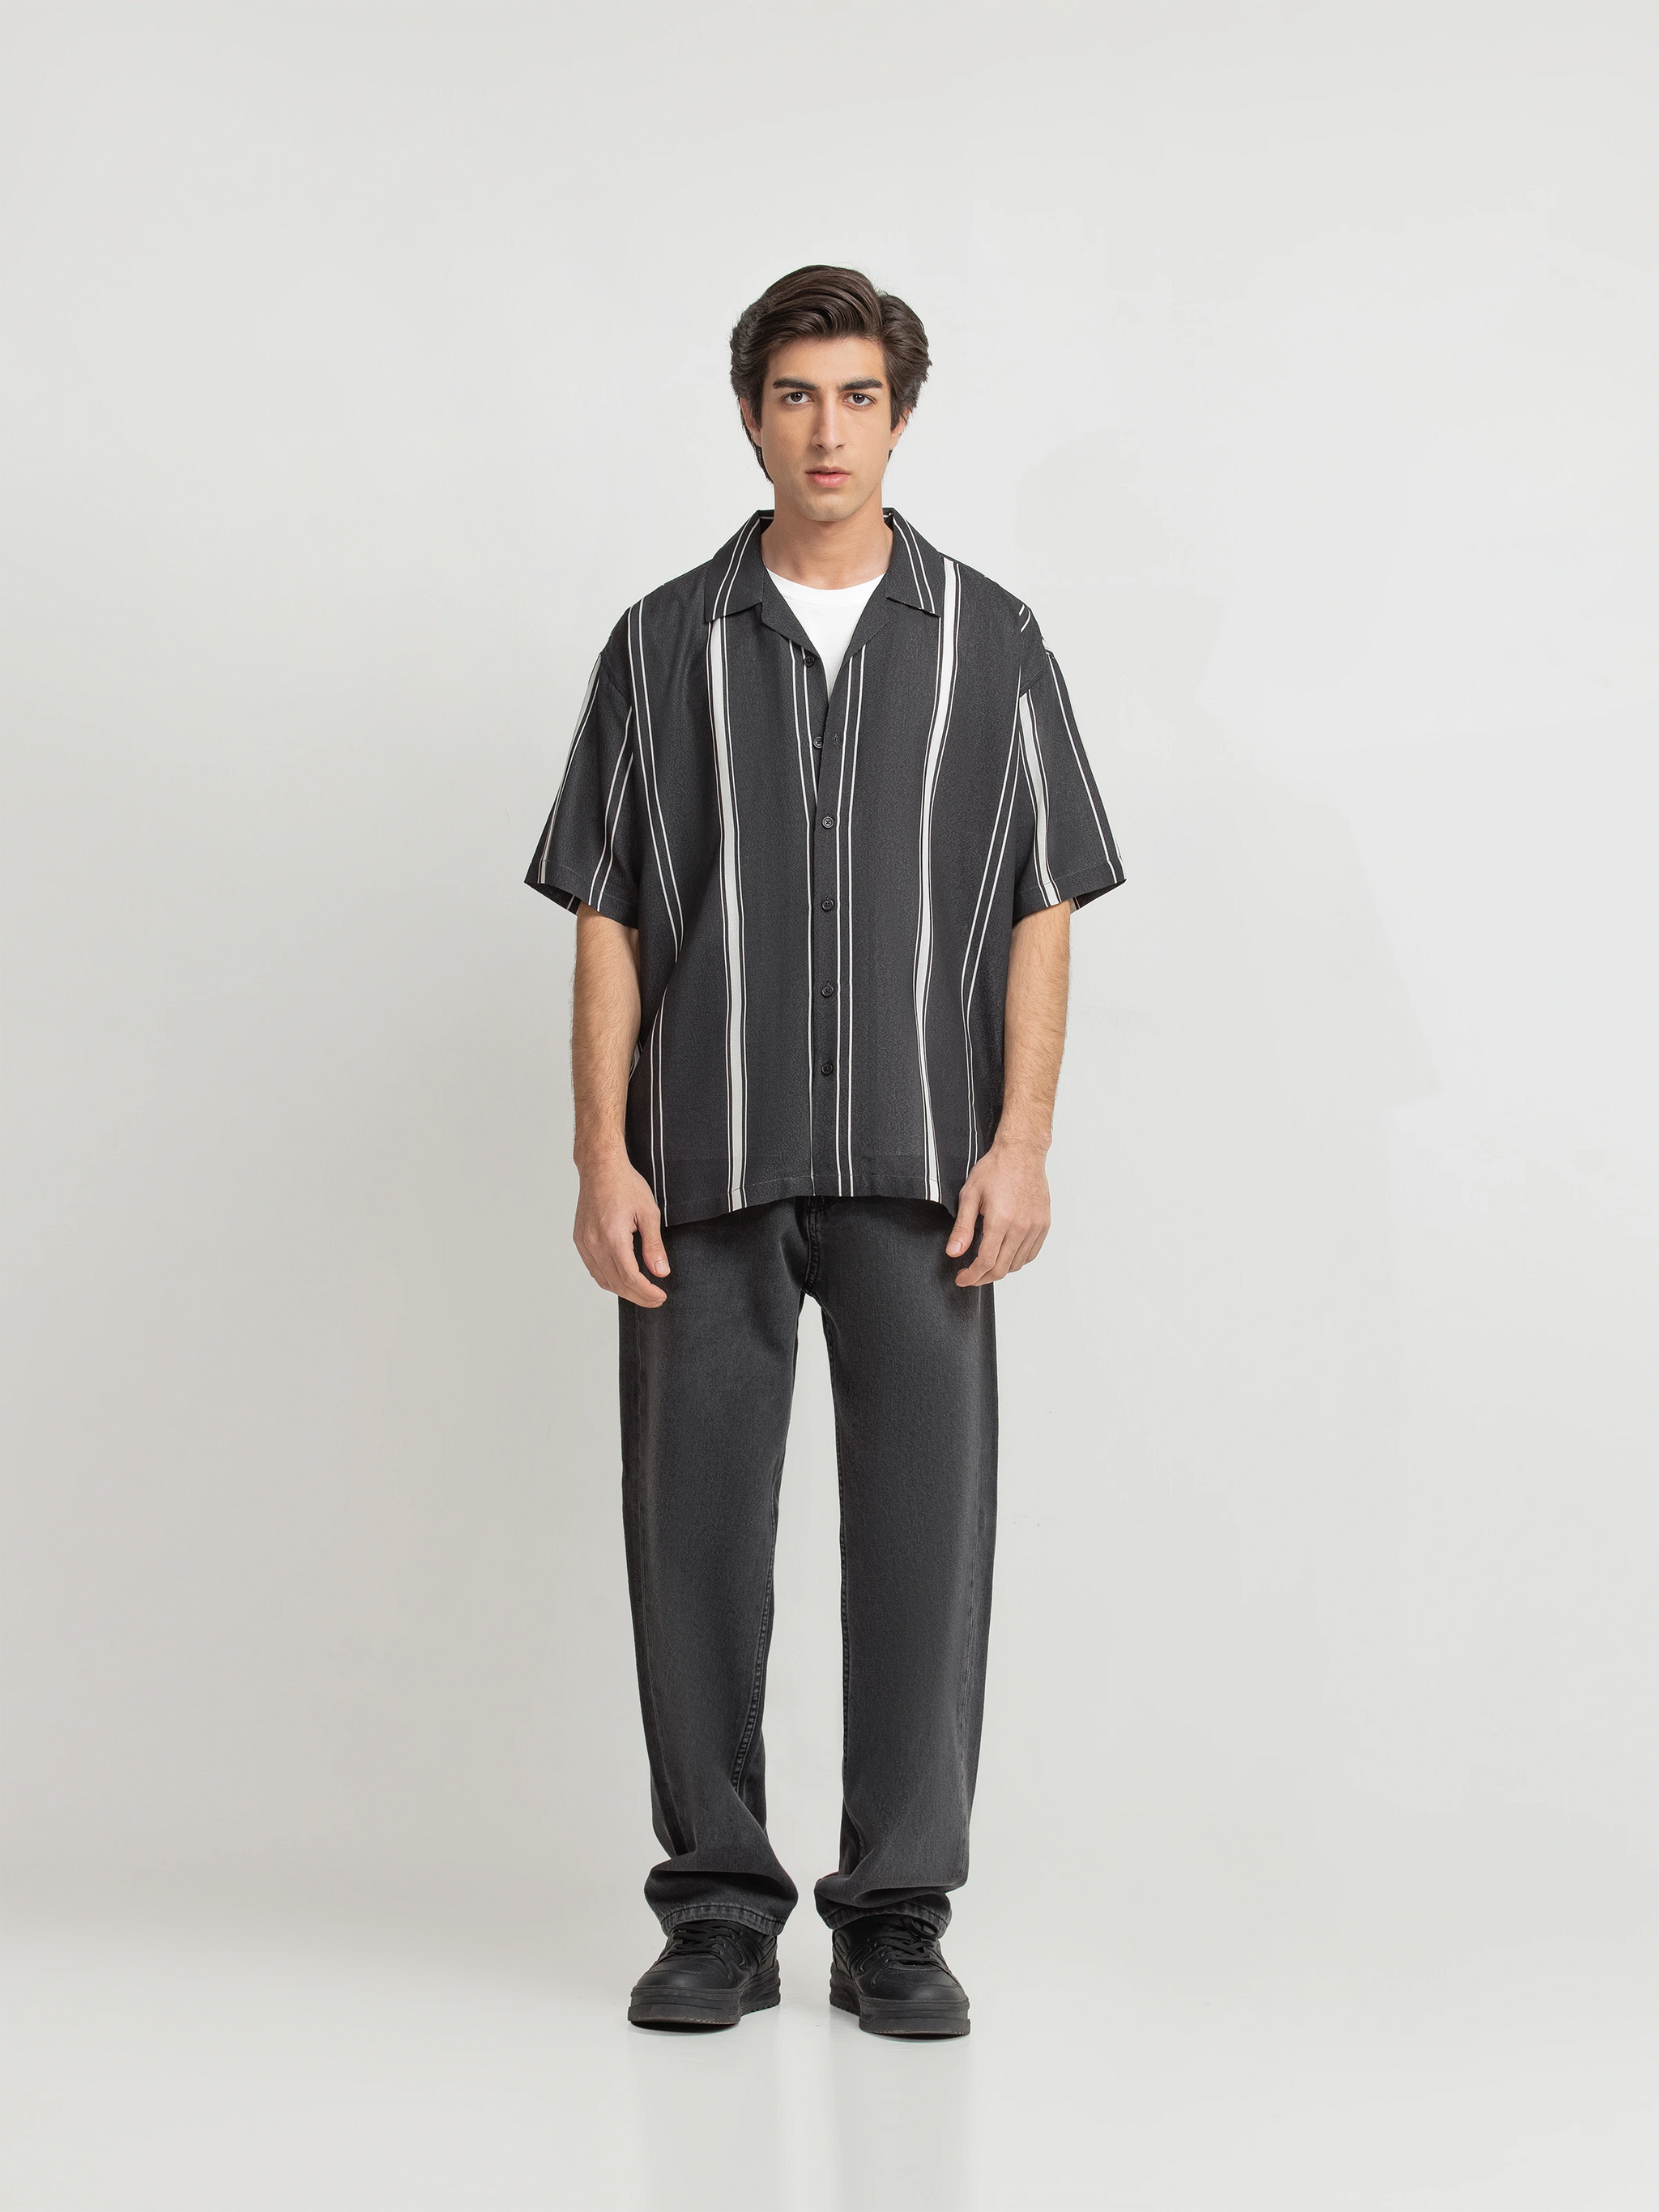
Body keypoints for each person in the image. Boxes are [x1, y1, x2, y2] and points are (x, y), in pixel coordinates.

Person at [524, 266, 1123, 2037]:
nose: (827, 430)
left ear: (901, 417)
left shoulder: (995, 640)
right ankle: (717, 1904)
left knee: (925, 1537)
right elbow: (610, 911)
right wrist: (598, 1154)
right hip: (699, 1161)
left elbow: (1040, 903)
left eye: (858, 396)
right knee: (693, 1539)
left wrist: (1023, 1141)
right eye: (795, 395)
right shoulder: (659, 643)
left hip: (928, 1168)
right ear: (749, 416)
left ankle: (897, 1915)